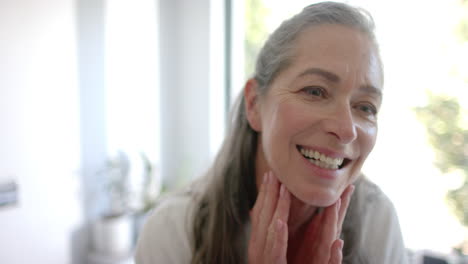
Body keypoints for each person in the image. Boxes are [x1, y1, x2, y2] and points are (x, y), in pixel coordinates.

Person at [135, 1, 409, 263]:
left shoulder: (379, 223)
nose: (346, 129)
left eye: (365, 107)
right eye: (315, 91)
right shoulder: (173, 233)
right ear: (254, 104)